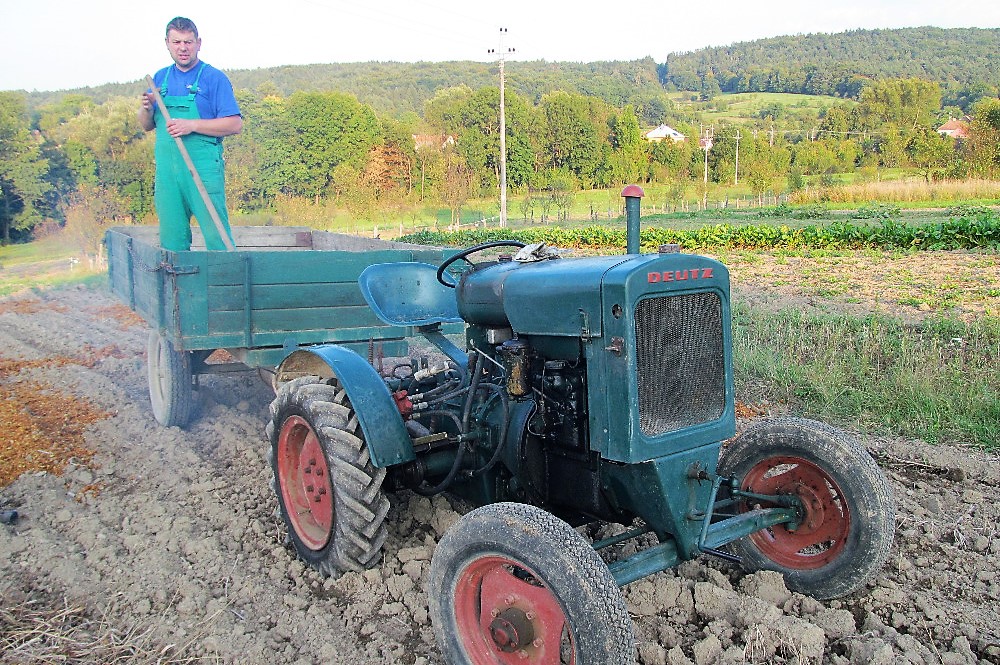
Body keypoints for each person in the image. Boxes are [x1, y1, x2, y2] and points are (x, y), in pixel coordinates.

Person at [138, 16, 242, 251]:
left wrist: (192, 125)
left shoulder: (213, 78)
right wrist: (146, 108)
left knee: (218, 239)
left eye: (188, 42)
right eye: (177, 42)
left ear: (198, 43)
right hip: (167, 175)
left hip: (202, 170)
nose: (183, 48)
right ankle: (180, 288)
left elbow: (235, 124)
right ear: (167, 43)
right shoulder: (159, 78)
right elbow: (146, 125)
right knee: (172, 241)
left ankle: (226, 284)